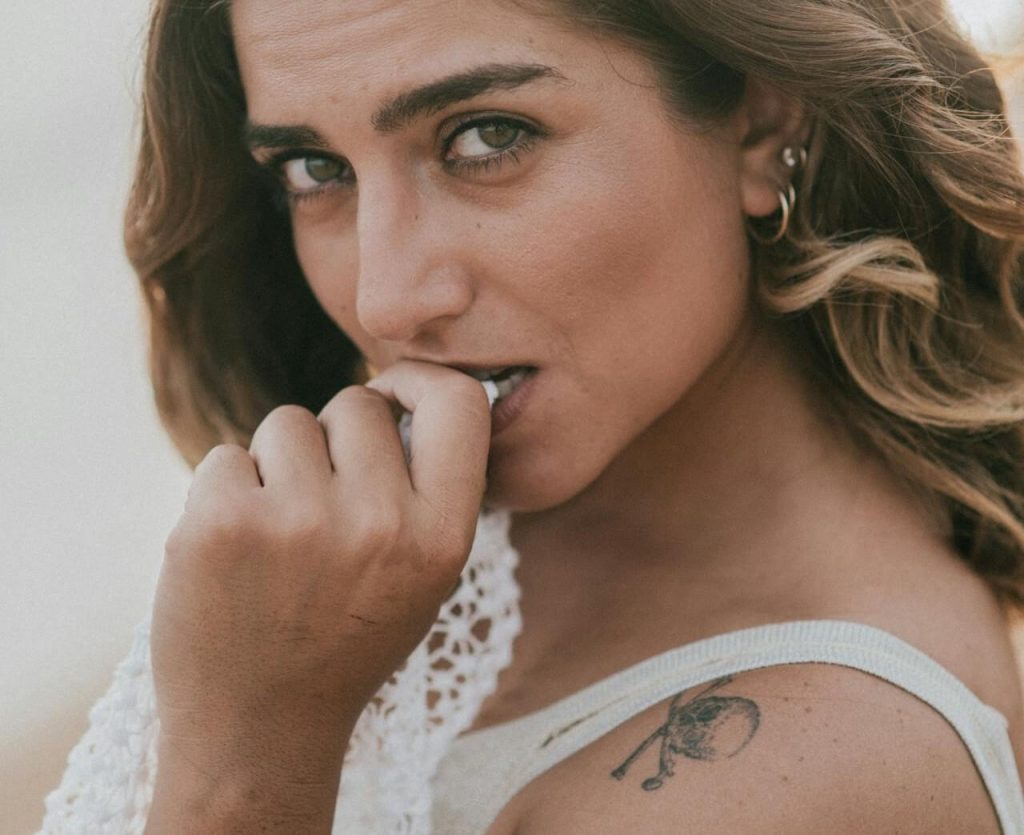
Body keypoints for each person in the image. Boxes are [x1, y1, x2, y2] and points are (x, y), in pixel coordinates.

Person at [39, 0, 1024, 832]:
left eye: (485, 137)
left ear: (763, 121)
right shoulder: (391, 557)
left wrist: (246, 765)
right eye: (314, 169)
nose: (386, 299)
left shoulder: (799, 774)